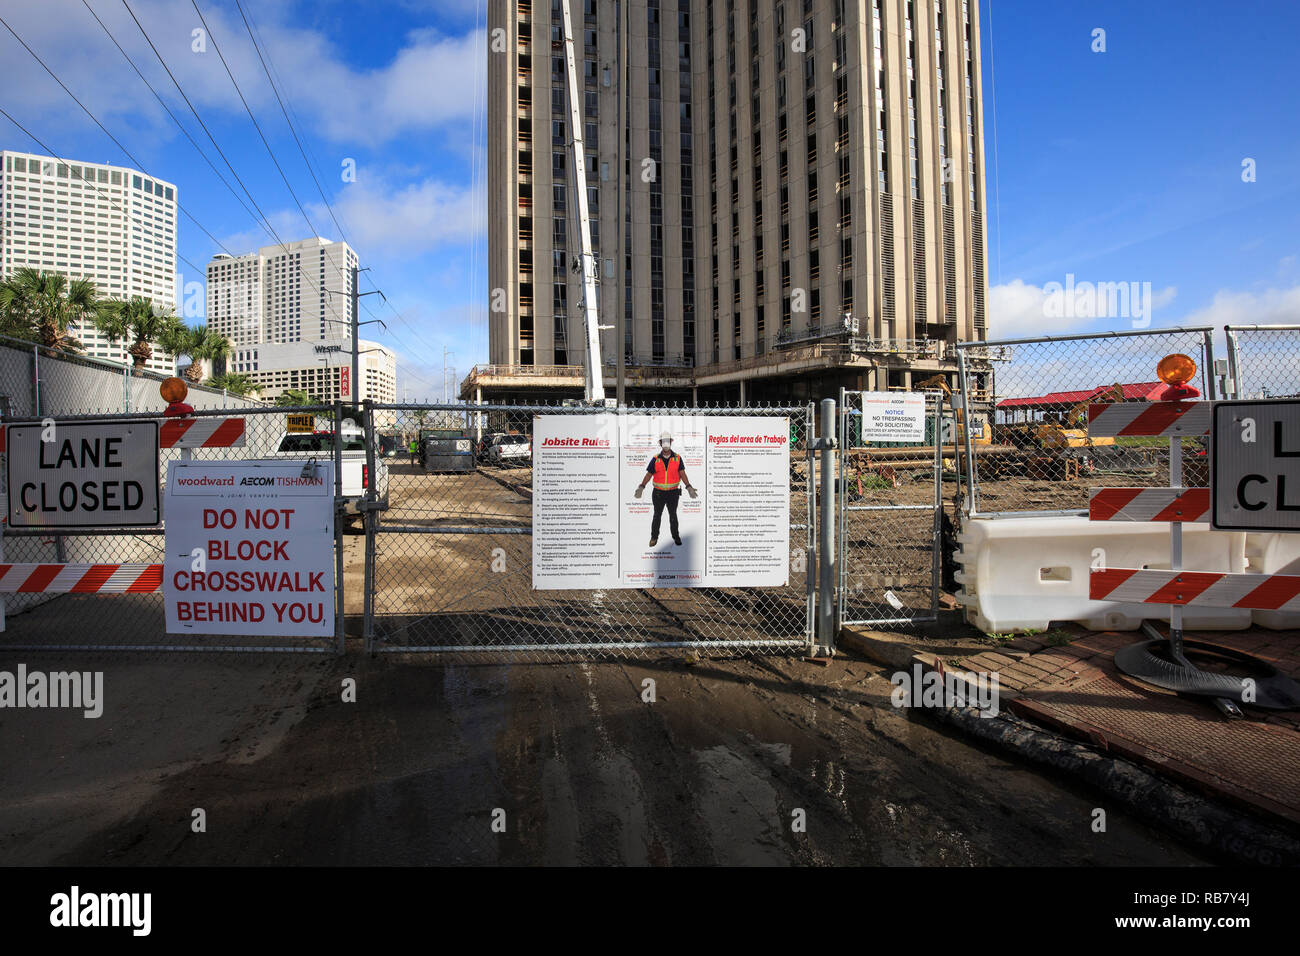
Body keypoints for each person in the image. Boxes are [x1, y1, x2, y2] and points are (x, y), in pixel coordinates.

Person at [633, 431, 698, 547]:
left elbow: (682, 473)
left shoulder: (677, 458)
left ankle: (676, 536)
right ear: (660, 443)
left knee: (673, 515)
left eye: (668, 441)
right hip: (658, 493)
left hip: (673, 493)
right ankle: (654, 537)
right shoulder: (655, 459)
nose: (666, 444)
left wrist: (689, 487)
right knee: (657, 515)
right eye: (664, 442)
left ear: (671, 442)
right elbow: (649, 474)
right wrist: (642, 486)